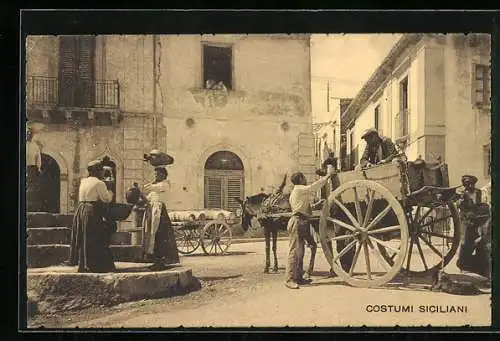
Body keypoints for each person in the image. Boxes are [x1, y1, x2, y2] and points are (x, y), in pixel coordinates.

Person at [285, 168, 335, 289]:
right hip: (297, 221)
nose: (306, 180)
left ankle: (298, 277)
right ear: (301, 179)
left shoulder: (299, 192)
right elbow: (314, 187)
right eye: (304, 178)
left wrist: (315, 205)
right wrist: (327, 176)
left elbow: (303, 206)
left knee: (300, 251)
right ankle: (289, 279)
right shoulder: (299, 189)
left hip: (301, 221)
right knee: (294, 251)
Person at [69, 159, 115, 273]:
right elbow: (106, 199)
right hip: (91, 211)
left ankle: (84, 264)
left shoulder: (83, 181)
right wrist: (110, 189)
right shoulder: (99, 183)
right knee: (96, 237)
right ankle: (96, 265)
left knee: (84, 237)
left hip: (81, 209)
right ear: (99, 171)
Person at [142, 166, 180, 271]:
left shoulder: (165, 184)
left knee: (159, 237)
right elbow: (147, 194)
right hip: (152, 212)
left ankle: (161, 262)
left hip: (160, 213)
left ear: (163, 175)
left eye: (158, 174)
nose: (156, 176)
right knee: (152, 236)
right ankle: (155, 261)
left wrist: (151, 183)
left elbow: (146, 188)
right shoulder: (155, 187)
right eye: (155, 174)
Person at [456, 175, 491, 279]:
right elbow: (460, 211)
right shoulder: (462, 196)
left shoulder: (480, 192)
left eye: (471, 184)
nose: (470, 186)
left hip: (480, 221)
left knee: (481, 244)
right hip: (468, 223)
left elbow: (484, 206)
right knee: (466, 244)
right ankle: (464, 267)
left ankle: (481, 269)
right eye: (467, 184)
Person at [26, 127, 42, 212]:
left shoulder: (35, 146)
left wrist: (38, 167)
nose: (29, 135)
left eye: (30, 134)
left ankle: (31, 203)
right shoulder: (23, 144)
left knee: (31, 185)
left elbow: (38, 158)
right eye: (28, 134)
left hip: (32, 167)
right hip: (23, 166)